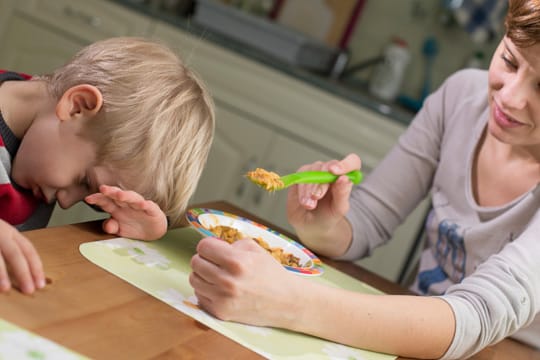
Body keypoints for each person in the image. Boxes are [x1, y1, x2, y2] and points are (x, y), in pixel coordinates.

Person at [188, 0, 540, 358]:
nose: (510, 97)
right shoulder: (461, 97)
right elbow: (369, 220)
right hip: (414, 334)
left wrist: (288, 302)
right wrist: (326, 225)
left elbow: (478, 317)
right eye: (509, 60)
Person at [0, 37, 215, 295]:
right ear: (78, 106)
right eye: (84, 182)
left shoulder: (43, 137)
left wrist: (128, 230)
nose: (66, 203)